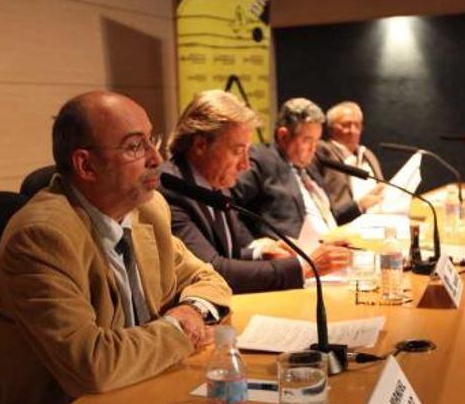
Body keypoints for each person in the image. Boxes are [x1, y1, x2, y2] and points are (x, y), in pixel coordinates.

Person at [0, 91, 231, 404]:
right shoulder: (42, 238)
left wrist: (191, 309)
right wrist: (179, 331)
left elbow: (209, 279)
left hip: (136, 396)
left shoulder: (148, 211)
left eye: (152, 140)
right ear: (86, 166)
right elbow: (93, 365)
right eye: (134, 147)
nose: (156, 158)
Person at [160, 90, 351, 293]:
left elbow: (227, 253)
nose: (245, 165)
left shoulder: (215, 182)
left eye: (246, 152)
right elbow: (211, 269)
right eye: (237, 151)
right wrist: (303, 268)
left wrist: (258, 252)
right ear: (200, 145)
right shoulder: (172, 189)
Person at [233, 97, 383, 243]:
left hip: (330, 250)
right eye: (307, 140)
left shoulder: (309, 169)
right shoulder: (261, 160)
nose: (314, 148)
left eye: (316, 140)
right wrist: (254, 248)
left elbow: (328, 220)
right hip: (292, 260)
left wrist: (359, 206)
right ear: (283, 136)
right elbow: (229, 206)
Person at [316, 101, 385, 207]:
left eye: (357, 125)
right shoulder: (323, 150)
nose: (353, 131)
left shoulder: (367, 154)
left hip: (378, 213)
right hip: (346, 218)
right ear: (331, 128)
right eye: (346, 125)